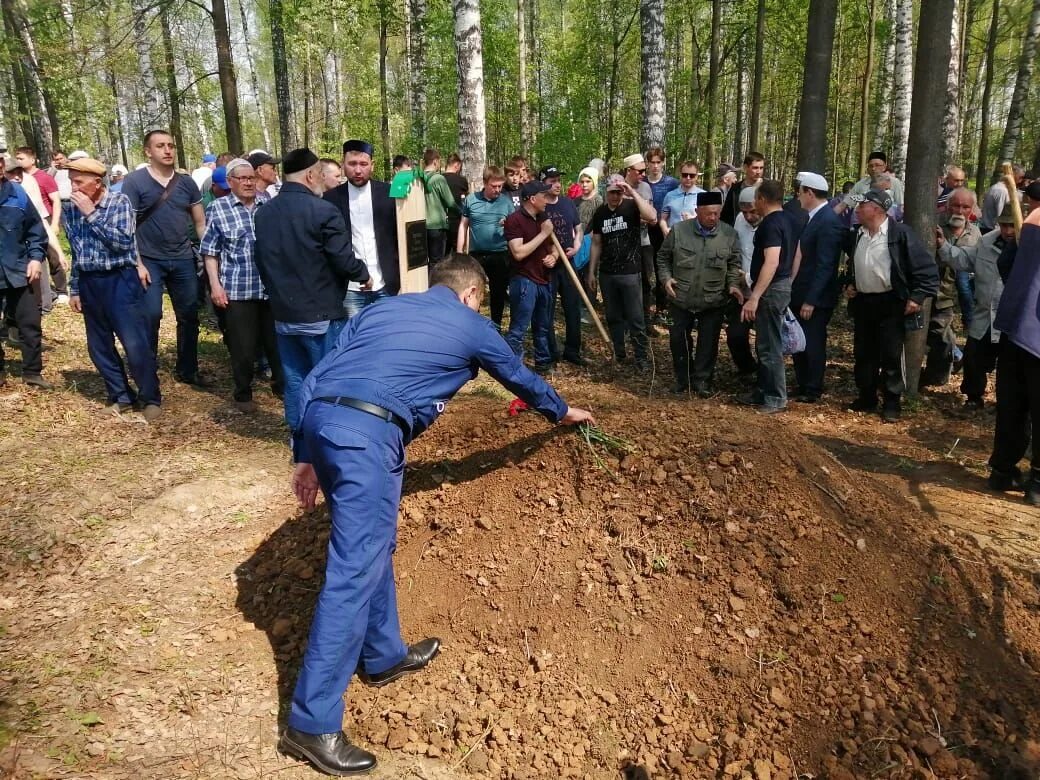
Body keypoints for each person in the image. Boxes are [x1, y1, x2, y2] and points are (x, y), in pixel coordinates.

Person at [277, 254, 594, 775]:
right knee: (353, 570)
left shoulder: (379, 311)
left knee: (370, 547)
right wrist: (562, 410)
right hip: (367, 436)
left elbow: (319, 371)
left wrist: (305, 453)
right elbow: (518, 375)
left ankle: (382, 655)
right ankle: (311, 722)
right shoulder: (473, 324)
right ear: (472, 294)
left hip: (325, 423)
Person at [252, 148, 371, 439]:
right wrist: (363, 274)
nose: (322, 179)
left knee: (295, 381)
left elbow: (262, 260)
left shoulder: (264, 213)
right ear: (309, 175)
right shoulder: (323, 211)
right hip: (321, 314)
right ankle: (327, 436)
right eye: (320, 173)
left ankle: (300, 437)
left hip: (283, 314)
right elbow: (342, 259)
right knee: (328, 379)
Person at [63, 157, 161, 420]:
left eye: (79, 182)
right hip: (89, 281)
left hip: (120, 279)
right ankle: (120, 394)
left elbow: (121, 242)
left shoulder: (119, 203)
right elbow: (76, 249)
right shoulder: (70, 208)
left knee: (134, 342)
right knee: (98, 345)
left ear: (97, 183)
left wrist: (91, 214)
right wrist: (74, 288)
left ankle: (150, 397)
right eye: (71, 181)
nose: (74, 187)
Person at [842, 188, 939, 422]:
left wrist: (916, 298)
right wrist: (848, 285)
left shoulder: (900, 235)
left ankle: (892, 403)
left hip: (891, 303)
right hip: (864, 302)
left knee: (891, 355)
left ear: (875, 209)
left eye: (862, 205)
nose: (857, 209)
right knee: (864, 353)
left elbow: (927, 272)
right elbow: (850, 268)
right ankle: (866, 397)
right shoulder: (857, 234)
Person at [120, 130, 207, 386]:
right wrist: (137, 263)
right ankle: (147, 370)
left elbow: (200, 222)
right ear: (148, 151)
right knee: (150, 315)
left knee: (189, 314)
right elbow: (128, 227)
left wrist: (211, 252)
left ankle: (188, 368)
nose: (167, 150)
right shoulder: (134, 182)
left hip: (182, 258)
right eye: (160, 146)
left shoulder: (187, 183)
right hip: (149, 260)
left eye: (170, 145)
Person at [200, 158, 284, 412]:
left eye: (251, 178)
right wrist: (215, 285)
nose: (248, 183)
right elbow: (210, 252)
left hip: (270, 289)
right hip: (237, 289)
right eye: (242, 179)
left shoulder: (267, 204)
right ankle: (243, 393)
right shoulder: (218, 209)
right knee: (243, 348)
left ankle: (281, 387)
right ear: (230, 182)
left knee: (277, 345)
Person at [655, 191, 743, 396]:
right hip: (681, 296)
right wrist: (666, 279)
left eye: (716, 214)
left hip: (713, 298)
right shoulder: (678, 231)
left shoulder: (729, 235)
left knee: (708, 342)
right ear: (697, 212)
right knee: (678, 339)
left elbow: (733, 264)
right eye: (708, 214)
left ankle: (702, 380)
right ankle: (682, 377)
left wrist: (732, 285)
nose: (713, 218)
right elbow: (663, 258)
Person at [987, 204, 1040, 505]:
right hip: (1032, 331)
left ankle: (1002, 469)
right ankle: (1037, 481)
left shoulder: (1030, 220)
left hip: (1016, 325)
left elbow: (1005, 264)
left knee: (1012, 404)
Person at [936, 205, 1013, 410]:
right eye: (1004, 225)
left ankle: (1009, 403)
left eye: (1012, 226)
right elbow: (965, 258)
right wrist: (943, 245)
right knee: (974, 356)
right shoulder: (987, 242)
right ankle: (973, 397)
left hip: (1015, 319)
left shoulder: (1032, 244)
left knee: (1011, 365)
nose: (1008, 231)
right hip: (986, 313)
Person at [737, 180, 798, 414]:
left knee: (770, 345)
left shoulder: (771, 224)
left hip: (771, 289)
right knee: (764, 342)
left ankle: (775, 397)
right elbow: (797, 254)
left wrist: (755, 297)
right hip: (779, 286)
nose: (754, 205)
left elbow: (771, 262)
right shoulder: (789, 220)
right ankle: (763, 390)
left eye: (756, 201)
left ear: (762, 199)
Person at [587, 174, 657, 371]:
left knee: (635, 318)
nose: (615, 197)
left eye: (618, 192)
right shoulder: (600, 213)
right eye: (611, 193)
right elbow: (596, 242)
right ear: (606, 192)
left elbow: (652, 216)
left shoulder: (631, 206)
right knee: (614, 316)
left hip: (630, 272)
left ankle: (641, 357)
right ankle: (619, 353)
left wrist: (632, 192)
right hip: (608, 273)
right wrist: (592, 271)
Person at [323, 140, 400, 317]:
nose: (358, 170)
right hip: (350, 289)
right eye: (352, 164)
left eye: (363, 164)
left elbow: (400, 238)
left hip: (386, 285)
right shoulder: (330, 200)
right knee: (354, 339)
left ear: (372, 166)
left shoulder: (389, 194)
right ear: (343, 165)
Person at [790, 172, 844, 403]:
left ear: (809, 193)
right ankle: (803, 384)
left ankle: (812, 387)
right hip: (802, 293)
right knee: (800, 341)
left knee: (812, 342)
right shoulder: (814, 217)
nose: (798, 197)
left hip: (815, 298)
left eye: (800, 192)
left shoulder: (828, 221)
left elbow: (826, 265)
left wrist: (811, 299)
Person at [0, 155, 50, 389]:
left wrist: (36, 259)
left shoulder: (18, 194)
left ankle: (32, 372)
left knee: (29, 323)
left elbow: (36, 231)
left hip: (19, 269)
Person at [924, 187, 981, 388]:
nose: (959, 210)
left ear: (972, 209)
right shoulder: (934, 225)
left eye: (965, 206)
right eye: (956, 205)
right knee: (939, 333)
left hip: (959, 295)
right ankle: (941, 370)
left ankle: (941, 372)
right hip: (934, 291)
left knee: (942, 334)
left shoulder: (975, 233)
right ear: (947, 205)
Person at [503, 180, 557, 372]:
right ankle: (512, 367)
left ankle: (543, 363)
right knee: (519, 327)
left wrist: (554, 256)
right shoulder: (514, 220)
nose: (547, 201)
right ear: (533, 199)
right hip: (524, 280)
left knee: (542, 327)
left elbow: (553, 246)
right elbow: (518, 252)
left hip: (543, 279)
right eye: (544, 196)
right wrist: (543, 234)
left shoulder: (544, 218)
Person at [458, 165, 515, 328]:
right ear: (484, 183)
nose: (497, 190)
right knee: (473, 292)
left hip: (500, 254)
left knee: (498, 294)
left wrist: (508, 226)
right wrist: (460, 252)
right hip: (477, 255)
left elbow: (516, 229)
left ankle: (496, 328)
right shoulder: (471, 200)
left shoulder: (506, 202)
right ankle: (473, 326)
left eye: (500, 186)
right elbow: (463, 225)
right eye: (494, 186)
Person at [540, 165, 585, 366]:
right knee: (547, 309)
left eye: (558, 180)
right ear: (544, 183)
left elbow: (578, 228)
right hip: (548, 265)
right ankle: (551, 351)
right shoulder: (540, 206)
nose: (557, 184)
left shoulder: (567, 203)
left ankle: (572, 350)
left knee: (573, 307)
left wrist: (576, 246)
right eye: (552, 181)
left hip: (568, 262)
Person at [13, 146, 69, 303]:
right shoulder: (19, 179)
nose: (19, 161)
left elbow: (56, 201)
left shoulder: (43, 177)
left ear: (32, 159)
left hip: (45, 218)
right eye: (17, 159)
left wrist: (55, 223)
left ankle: (61, 289)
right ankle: (42, 296)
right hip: (29, 221)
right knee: (38, 257)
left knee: (52, 255)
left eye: (21, 158)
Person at [726, 187, 761, 383]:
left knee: (763, 340)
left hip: (763, 290)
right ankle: (747, 368)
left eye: (753, 211)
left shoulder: (773, 222)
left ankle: (765, 377)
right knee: (735, 335)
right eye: (745, 211)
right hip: (742, 289)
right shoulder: (739, 219)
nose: (748, 216)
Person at [837, 151, 905, 215]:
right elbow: (844, 204)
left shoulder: (894, 182)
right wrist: (829, 215)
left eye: (877, 165)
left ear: (884, 167)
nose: (873, 168)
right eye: (870, 166)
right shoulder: (860, 184)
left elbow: (900, 206)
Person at [420, 148, 457, 263]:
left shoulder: (417, 179)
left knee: (421, 262)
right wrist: (462, 213)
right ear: (435, 161)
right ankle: (435, 281)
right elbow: (450, 202)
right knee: (437, 261)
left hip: (419, 226)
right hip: (437, 226)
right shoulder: (438, 179)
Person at [659, 161, 705, 232]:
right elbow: (663, 219)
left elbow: (709, 221)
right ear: (680, 175)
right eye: (685, 175)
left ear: (696, 176)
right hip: (674, 238)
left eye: (692, 175)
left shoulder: (704, 195)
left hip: (696, 239)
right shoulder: (670, 196)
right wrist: (665, 229)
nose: (688, 178)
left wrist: (694, 220)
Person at [721, 153, 764, 226]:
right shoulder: (735, 189)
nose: (758, 172)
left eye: (761, 168)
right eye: (755, 168)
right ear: (745, 167)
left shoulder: (768, 188)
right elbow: (726, 216)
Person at [980, 165, 1023, 231]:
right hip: (992, 231)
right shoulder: (1002, 191)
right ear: (1012, 174)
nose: (1021, 181)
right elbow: (1001, 216)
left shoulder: (997, 187)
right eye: (1020, 177)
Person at [442, 152, 469, 252]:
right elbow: (464, 200)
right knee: (458, 252)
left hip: (442, 222)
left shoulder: (439, 179)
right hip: (458, 220)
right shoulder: (461, 180)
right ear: (456, 165)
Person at [573, 166, 603, 232]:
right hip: (577, 238)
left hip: (592, 238)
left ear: (594, 183)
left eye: (588, 181)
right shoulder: (575, 201)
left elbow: (599, 224)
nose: (584, 185)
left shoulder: (598, 201)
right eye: (582, 182)